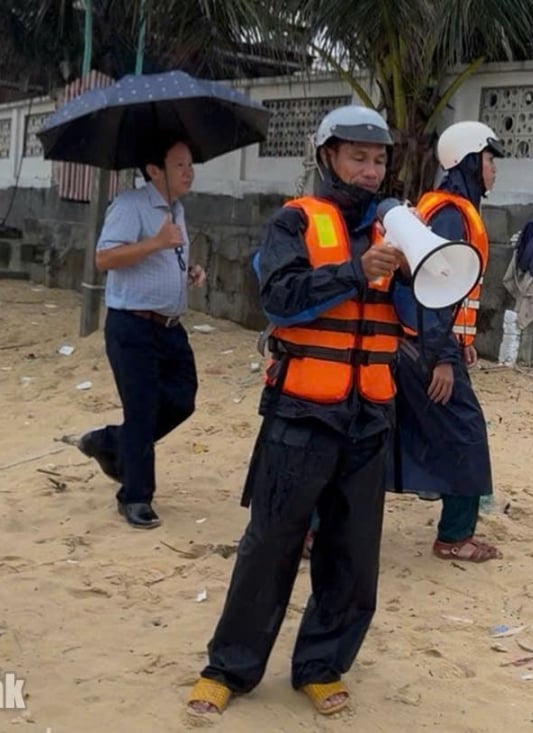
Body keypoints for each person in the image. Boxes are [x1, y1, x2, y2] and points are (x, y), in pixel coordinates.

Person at [186, 105, 407, 717]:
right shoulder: (295, 222)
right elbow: (280, 297)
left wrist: (420, 275)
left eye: (379, 159)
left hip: (369, 415)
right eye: (358, 157)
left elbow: (422, 315)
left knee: (354, 550)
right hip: (303, 412)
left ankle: (320, 663)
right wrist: (353, 272)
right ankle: (228, 667)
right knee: (272, 542)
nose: (370, 169)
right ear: (328, 158)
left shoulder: (402, 229)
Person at [75, 138, 206, 529]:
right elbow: (104, 258)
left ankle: (109, 442)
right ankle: (135, 496)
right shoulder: (130, 206)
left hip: (169, 326)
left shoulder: (176, 209)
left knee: (183, 399)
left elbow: (165, 258)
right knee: (143, 408)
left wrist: (188, 271)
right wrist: (155, 242)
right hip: (132, 325)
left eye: (190, 164)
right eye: (180, 165)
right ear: (154, 170)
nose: (189, 172)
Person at [392, 121, 506, 562]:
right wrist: (441, 355)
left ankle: (312, 527)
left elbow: (450, 293)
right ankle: (455, 536)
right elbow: (432, 286)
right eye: (490, 159)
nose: (494, 169)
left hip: (424, 342)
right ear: (470, 161)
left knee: (375, 437)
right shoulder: (451, 214)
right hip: (425, 347)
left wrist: (460, 342)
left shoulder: (453, 210)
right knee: (467, 434)